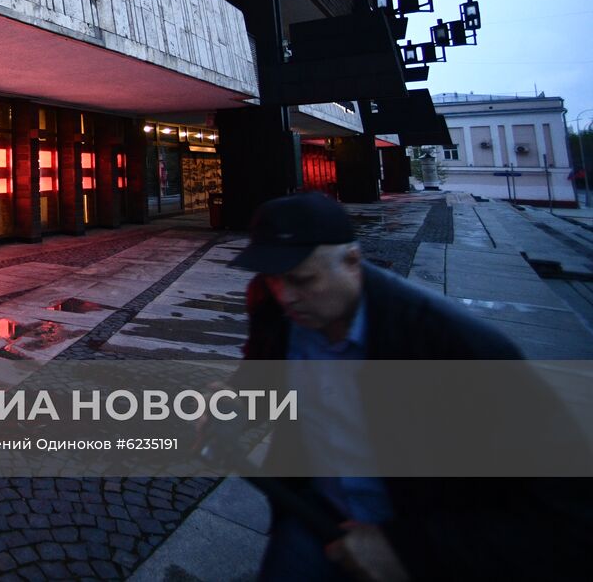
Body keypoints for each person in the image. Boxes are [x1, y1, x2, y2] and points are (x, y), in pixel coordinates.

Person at [228, 191, 588, 581]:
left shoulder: (453, 346)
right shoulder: (272, 303)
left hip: (420, 539)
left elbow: (566, 509)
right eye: (272, 278)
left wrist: (410, 547)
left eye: (302, 280)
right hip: (314, 515)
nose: (286, 296)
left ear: (352, 262)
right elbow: (262, 375)